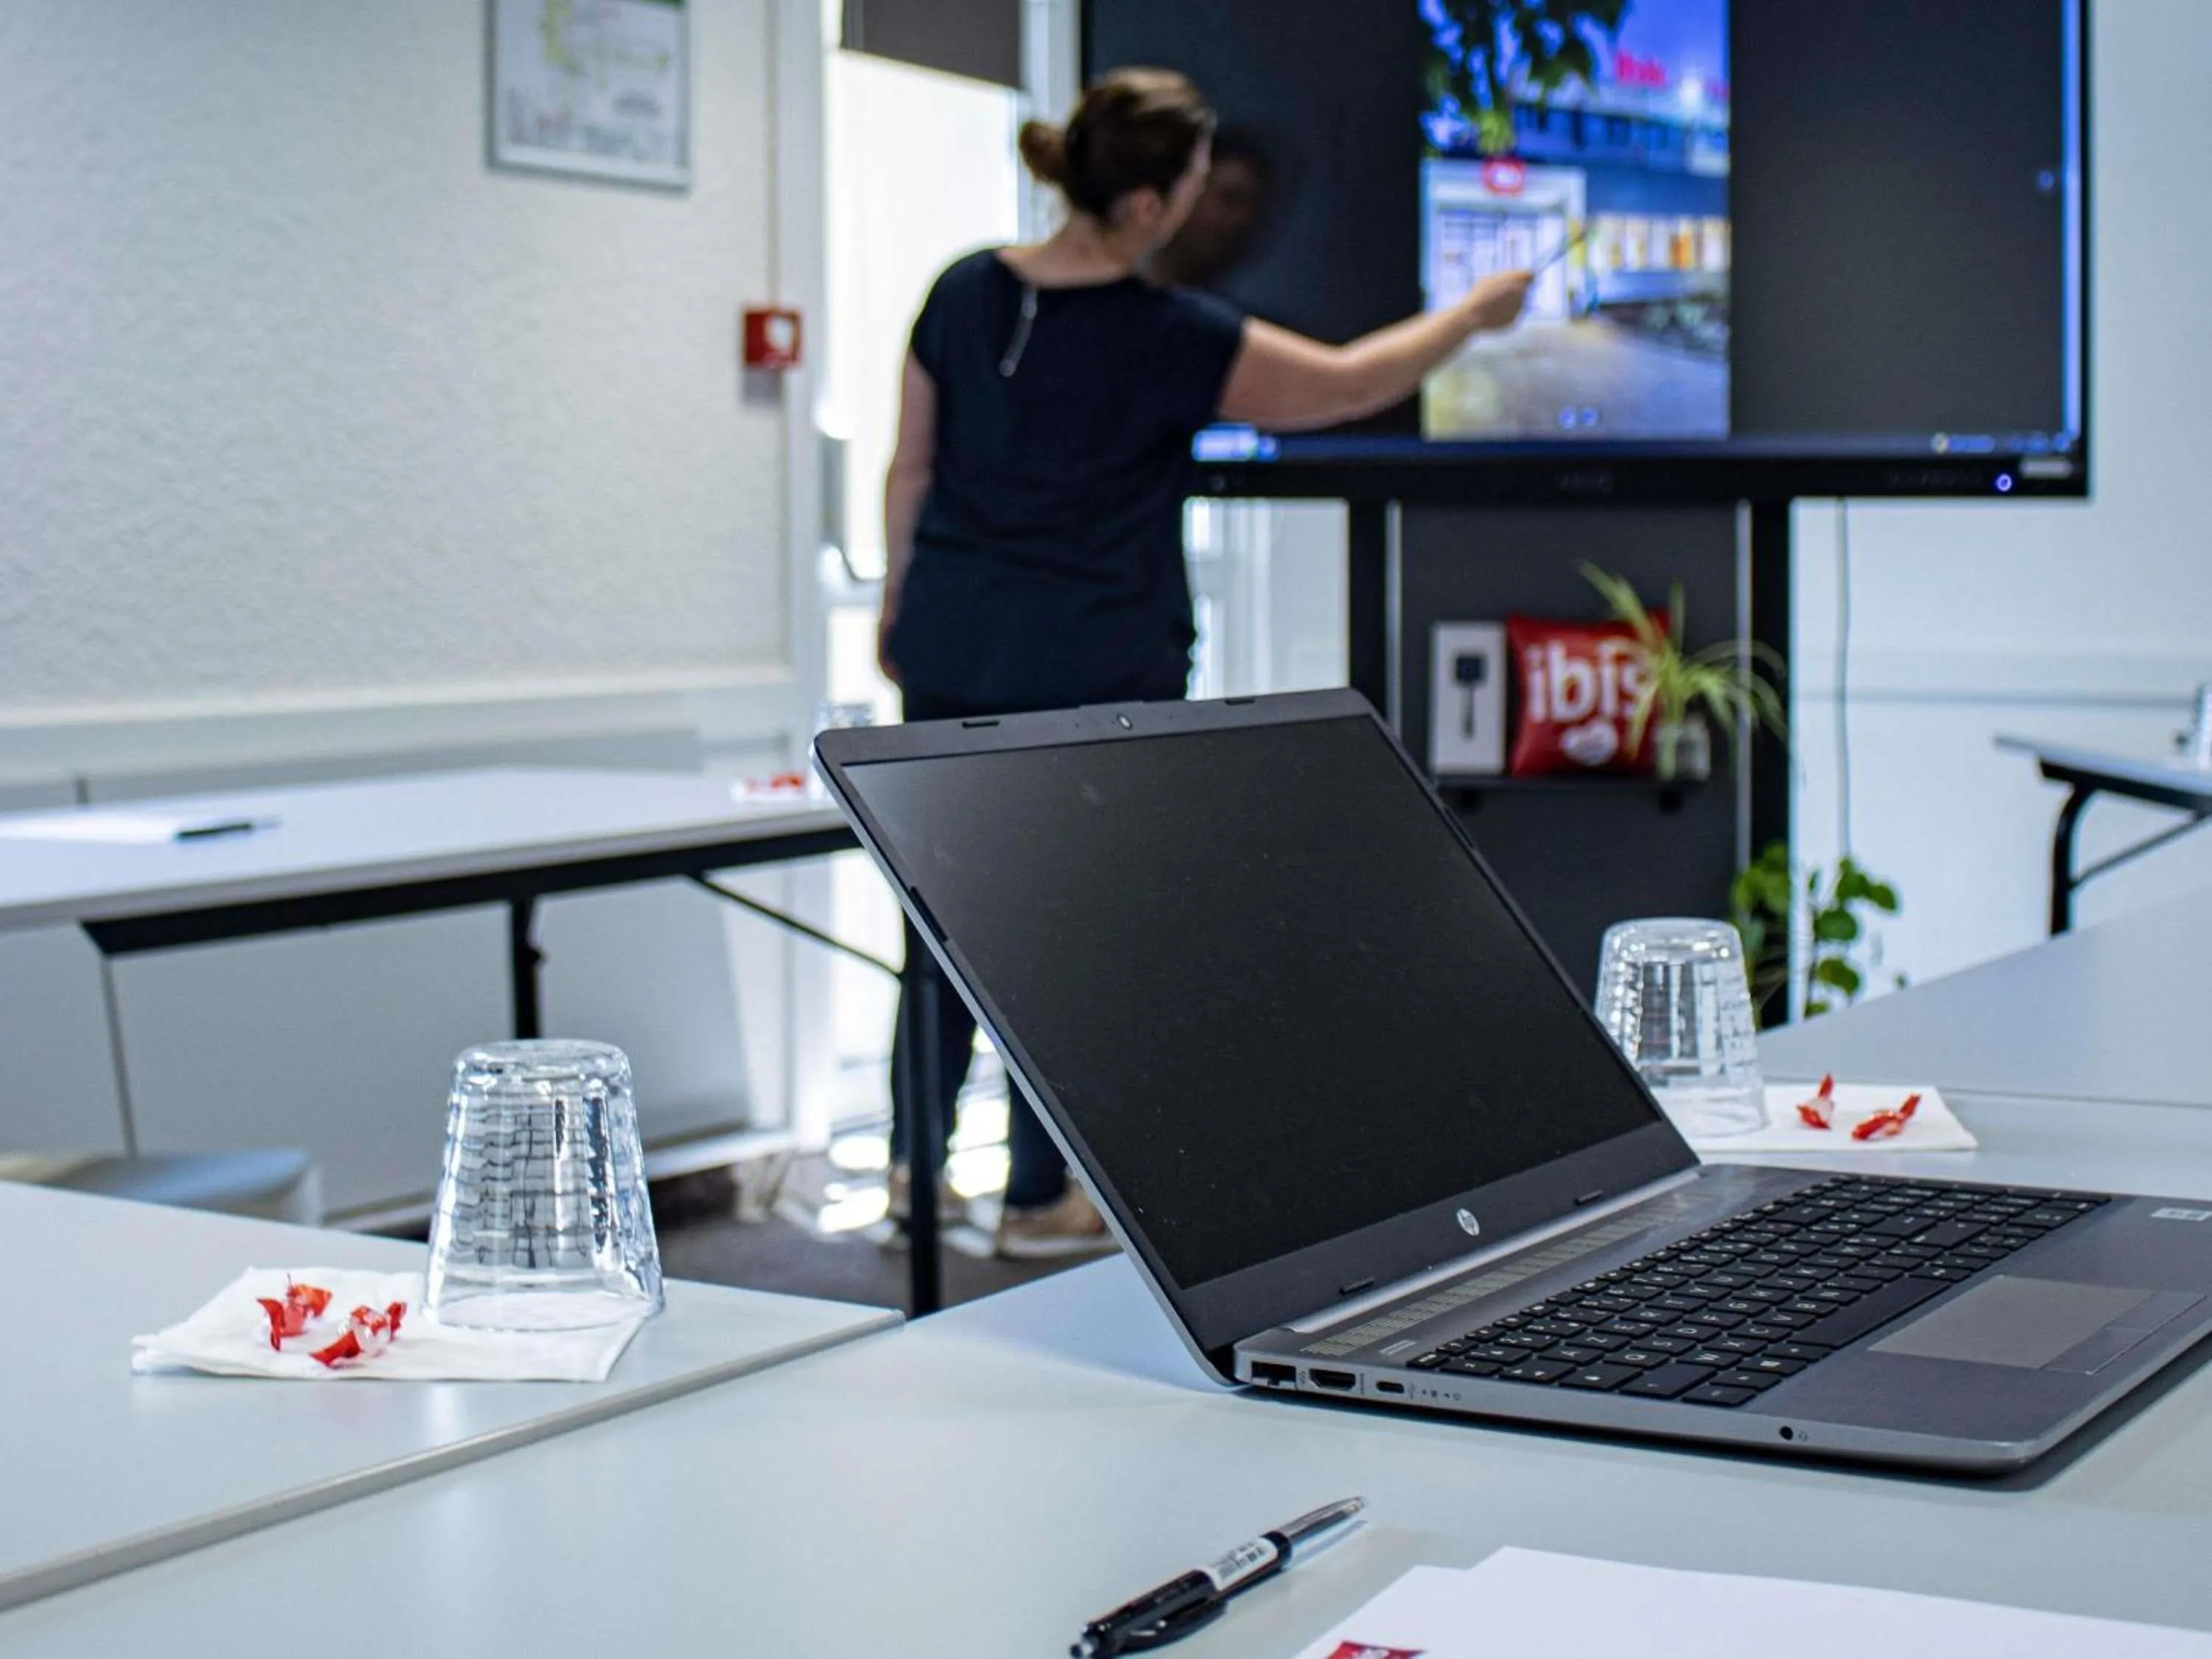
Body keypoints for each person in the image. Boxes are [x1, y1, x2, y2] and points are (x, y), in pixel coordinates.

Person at [877, 67, 1532, 1259]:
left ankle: (913, 1178)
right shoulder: (1171, 335)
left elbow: (910, 467)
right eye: (1192, 183)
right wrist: (1470, 320)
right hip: (1095, 665)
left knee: (940, 925)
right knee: (1071, 939)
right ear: (1146, 204)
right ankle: (1038, 1199)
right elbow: (1349, 384)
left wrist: (898, 604)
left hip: (953, 648)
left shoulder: (965, 291)